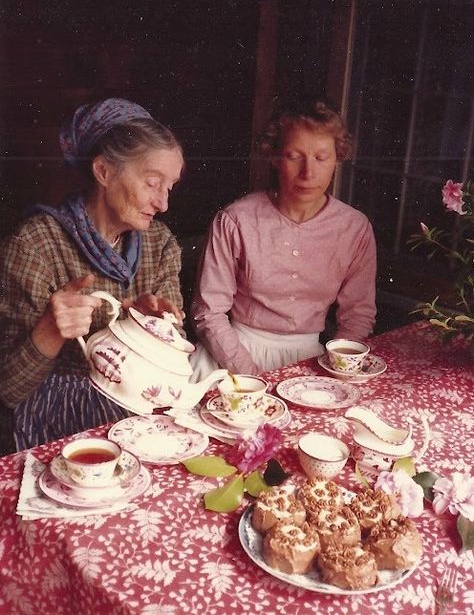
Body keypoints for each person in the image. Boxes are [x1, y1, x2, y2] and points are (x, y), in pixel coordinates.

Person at [0, 98, 185, 450]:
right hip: (57, 424)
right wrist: (51, 331)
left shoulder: (159, 244)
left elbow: (172, 361)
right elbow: (8, 390)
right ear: (103, 172)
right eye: (151, 182)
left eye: (169, 186)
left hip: (135, 415)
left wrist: (156, 332)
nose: (163, 203)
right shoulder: (35, 245)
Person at [191, 98, 377, 378]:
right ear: (275, 157)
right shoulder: (235, 220)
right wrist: (250, 375)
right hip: (231, 355)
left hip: (312, 359)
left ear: (337, 158)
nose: (308, 173)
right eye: (294, 156)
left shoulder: (355, 228)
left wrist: (337, 370)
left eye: (321, 158)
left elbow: (358, 315)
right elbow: (208, 312)